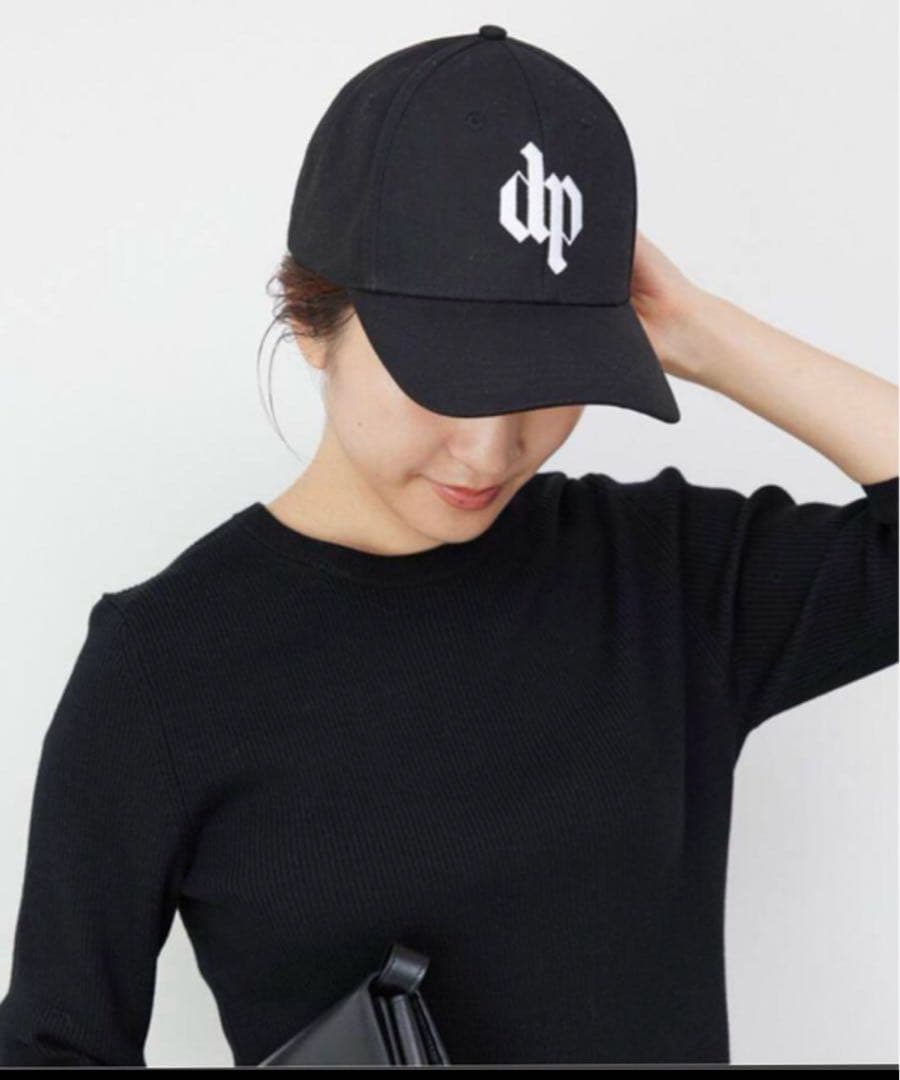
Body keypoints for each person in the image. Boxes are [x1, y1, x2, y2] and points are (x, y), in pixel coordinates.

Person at [0, 25, 896, 1068]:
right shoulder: (161, 666)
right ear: (309, 318)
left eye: (547, 376)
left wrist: (702, 333)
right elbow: (52, 1048)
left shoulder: (665, 578)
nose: (491, 447)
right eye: (447, 377)